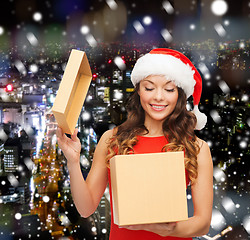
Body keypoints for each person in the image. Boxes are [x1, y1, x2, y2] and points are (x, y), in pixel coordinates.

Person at [56, 48, 213, 239]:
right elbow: (86, 208)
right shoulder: (111, 139)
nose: (159, 97)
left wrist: (169, 230)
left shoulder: (197, 148)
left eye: (169, 89)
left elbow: (203, 223)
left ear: (180, 94)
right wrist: (73, 162)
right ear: (138, 90)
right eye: (149, 88)